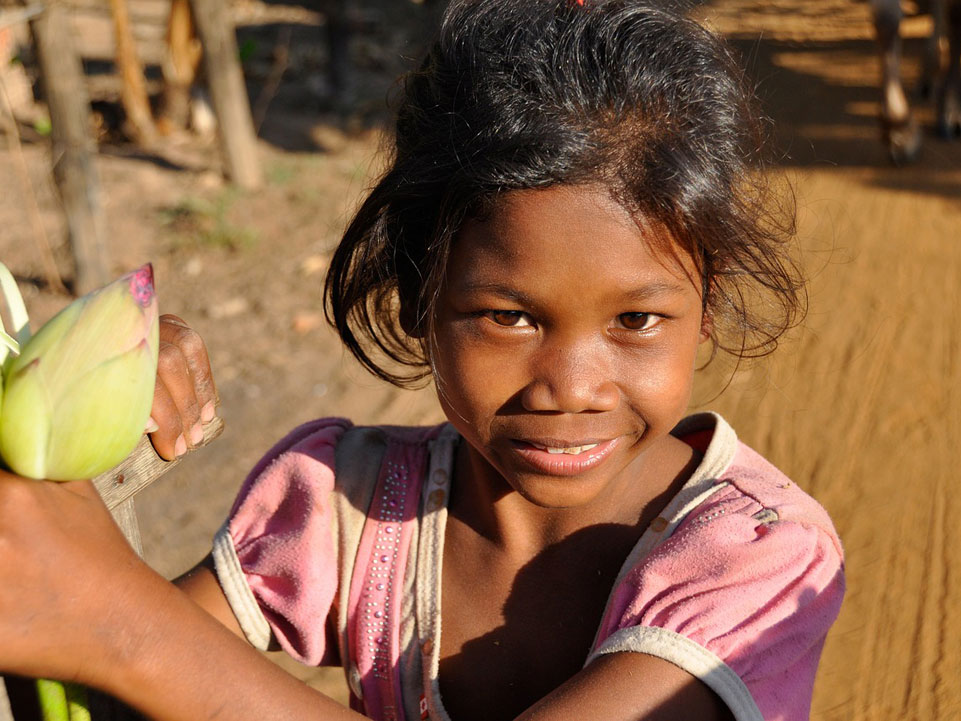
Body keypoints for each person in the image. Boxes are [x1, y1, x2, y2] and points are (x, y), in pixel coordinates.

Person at [0, 1, 845, 720]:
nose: (572, 386)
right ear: (417, 296)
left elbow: (134, 643)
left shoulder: (759, 560)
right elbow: (95, 675)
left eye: (635, 319)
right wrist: (96, 395)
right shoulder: (344, 503)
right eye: (508, 316)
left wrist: (127, 626)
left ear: (707, 306)